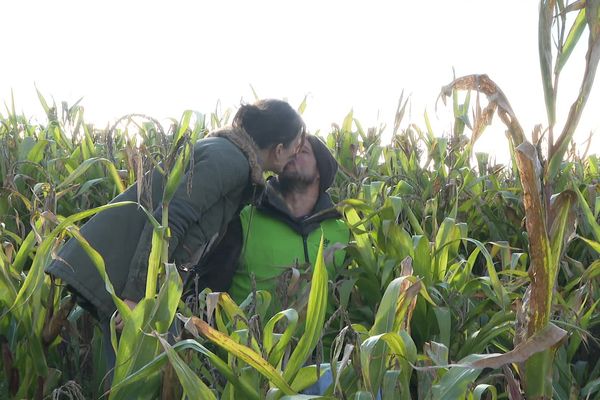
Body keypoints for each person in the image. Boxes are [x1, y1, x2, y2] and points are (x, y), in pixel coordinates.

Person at [45, 99, 305, 324]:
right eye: (296, 146)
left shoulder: (228, 154)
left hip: (121, 275)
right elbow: (169, 219)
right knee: (131, 375)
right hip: (120, 278)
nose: (296, 154)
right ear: (279, 148)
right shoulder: (230, 161)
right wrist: (138, 298)